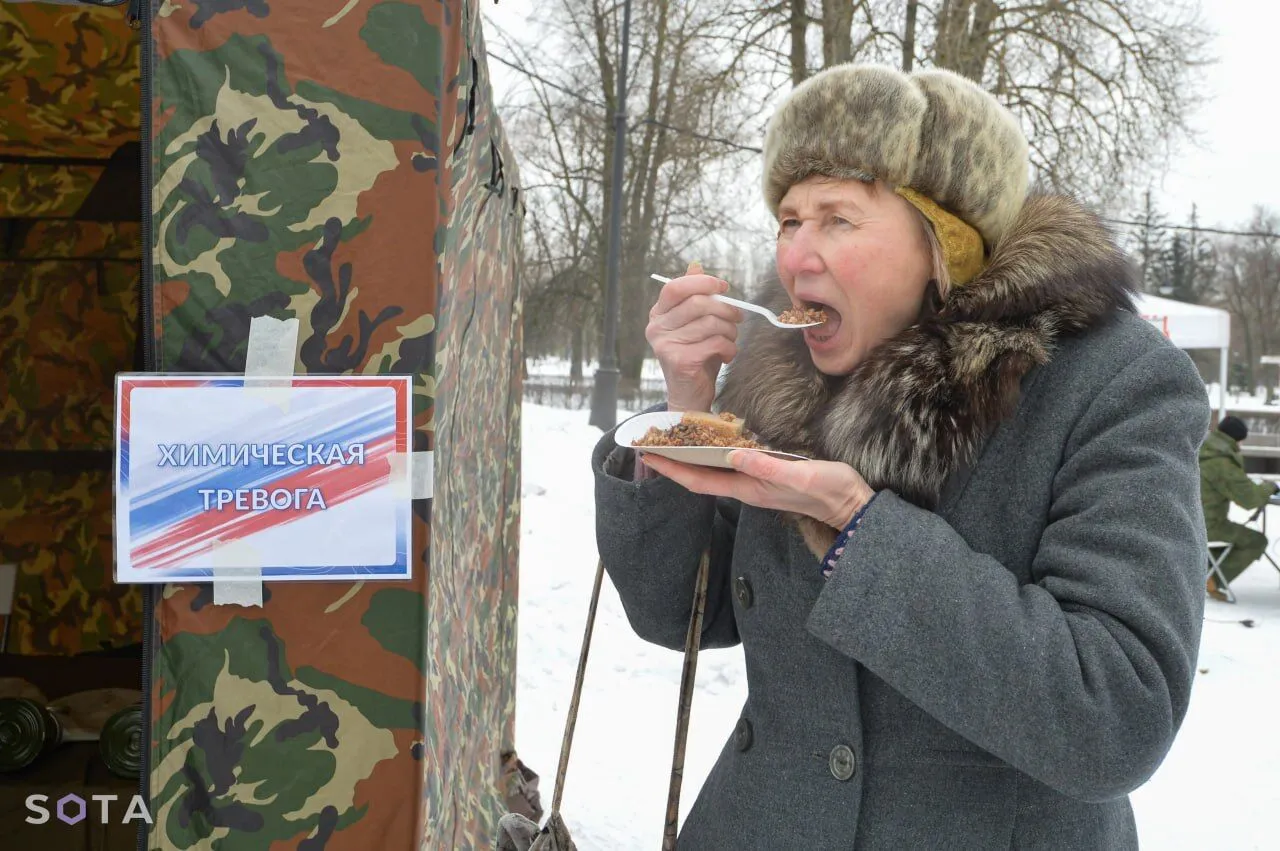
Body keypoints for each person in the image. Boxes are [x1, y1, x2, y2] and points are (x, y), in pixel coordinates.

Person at [590, 63, 1211, 850]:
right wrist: (687, 407)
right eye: (789, 219)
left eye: (837, 219)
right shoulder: (781, 377)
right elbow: (678, 611)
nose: (795, 257)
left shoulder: (1111, 382)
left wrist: (856, 527)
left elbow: (1116, 715)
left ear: (946, 241)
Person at [1200, 415, 1278, 598]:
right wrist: (1270, 487)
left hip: (1192, 522)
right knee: (1256, 541)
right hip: (1208, 527)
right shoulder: (1222, 462)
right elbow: (1250, 500)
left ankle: (1204, 572)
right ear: (1236, 439)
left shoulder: (1203, 451)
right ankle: (1213, 579)